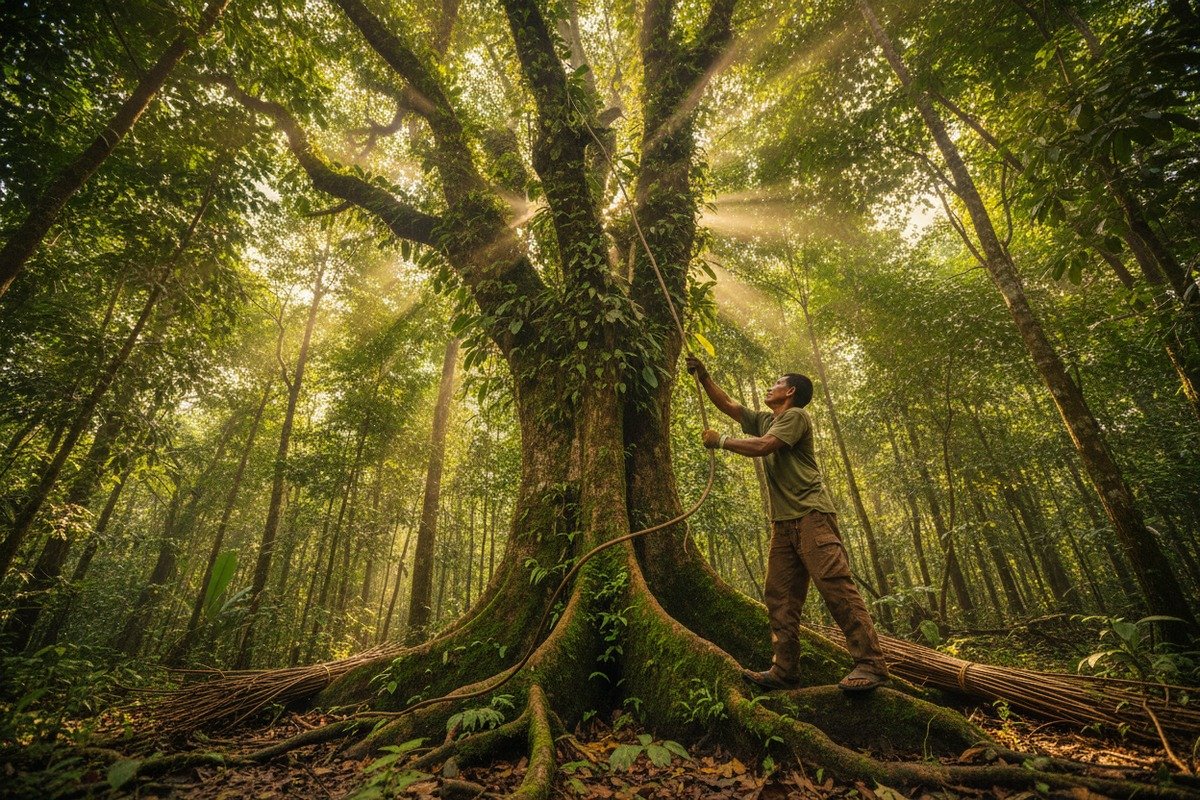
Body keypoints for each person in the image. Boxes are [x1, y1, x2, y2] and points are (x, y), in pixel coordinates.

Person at [686, 356, 889, 693]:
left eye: (777, 383)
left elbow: (766, 446)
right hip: (783, 525)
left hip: (812, 517)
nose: (771, 387)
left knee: (835, 586)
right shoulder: (768, 420)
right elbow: (730, 406)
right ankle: (784, 671)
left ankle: (871, 663)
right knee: (779, 596)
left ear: (790, 391)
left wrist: (722, 441)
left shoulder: (795, 417)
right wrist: (704, 376)